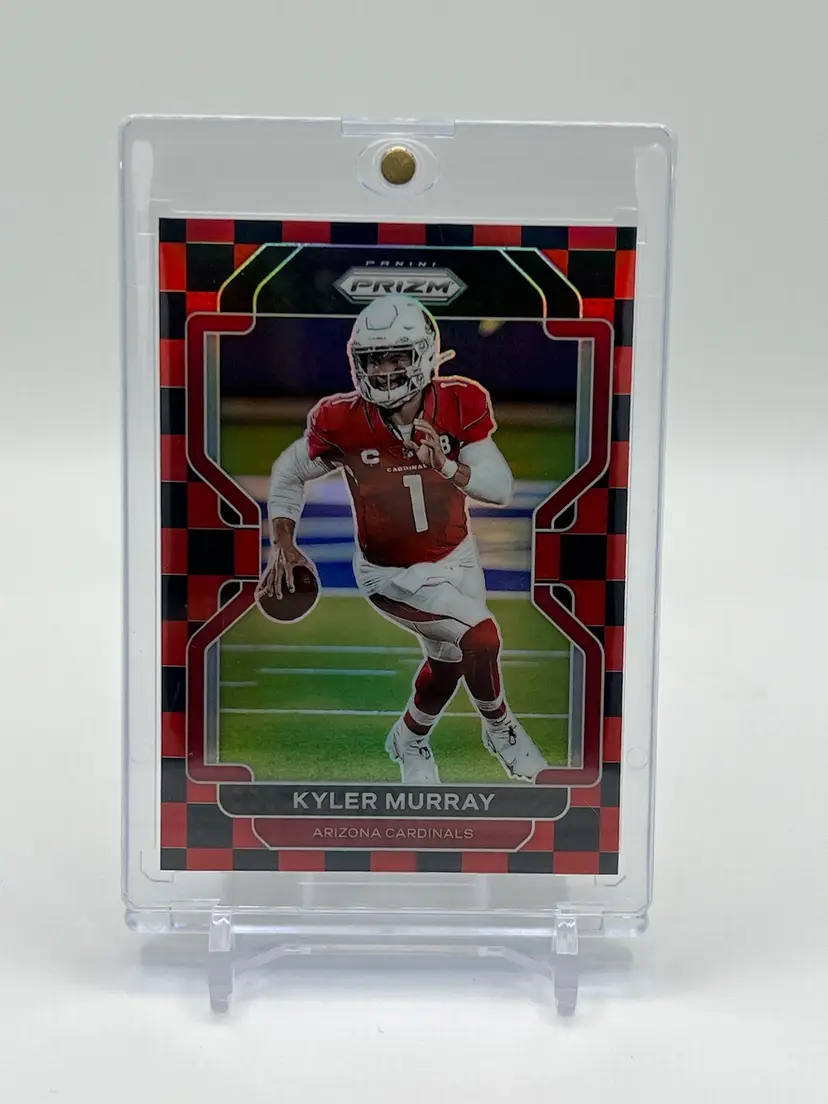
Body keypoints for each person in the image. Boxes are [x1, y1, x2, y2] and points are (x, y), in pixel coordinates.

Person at [257, 294, 547, 785]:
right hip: (392, 575)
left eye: (396, 358)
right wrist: (284, 541)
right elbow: (289, 471)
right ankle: (501, 729)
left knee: (450, 663)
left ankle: (409, 738)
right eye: (373, 360)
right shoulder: (342, 420)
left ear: (425, 355)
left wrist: (447, 465)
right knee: (480, 636)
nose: (384, 371)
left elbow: (499, 488)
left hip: (458, 555)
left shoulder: (459, 402)